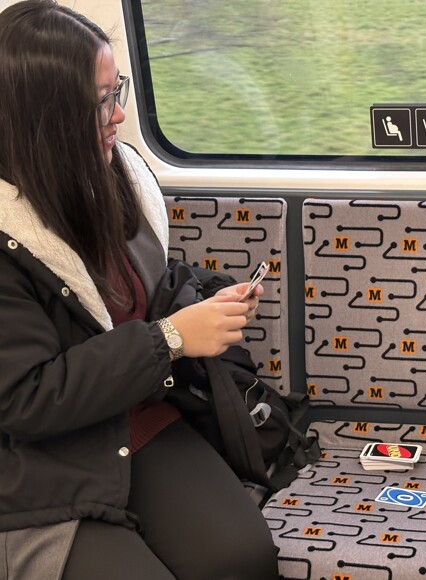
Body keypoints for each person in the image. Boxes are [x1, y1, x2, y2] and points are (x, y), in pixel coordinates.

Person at [0, 1, 279, 578]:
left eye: (116, 90)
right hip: (38, 463)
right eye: (101, 101)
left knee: (242, 558)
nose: (120, 114)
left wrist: (203, 303)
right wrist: (170, 339)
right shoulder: (9, 235)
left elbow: (136, 295)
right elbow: (24, 399)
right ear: (45, 120)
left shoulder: (110, 178)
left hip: (133, 417)